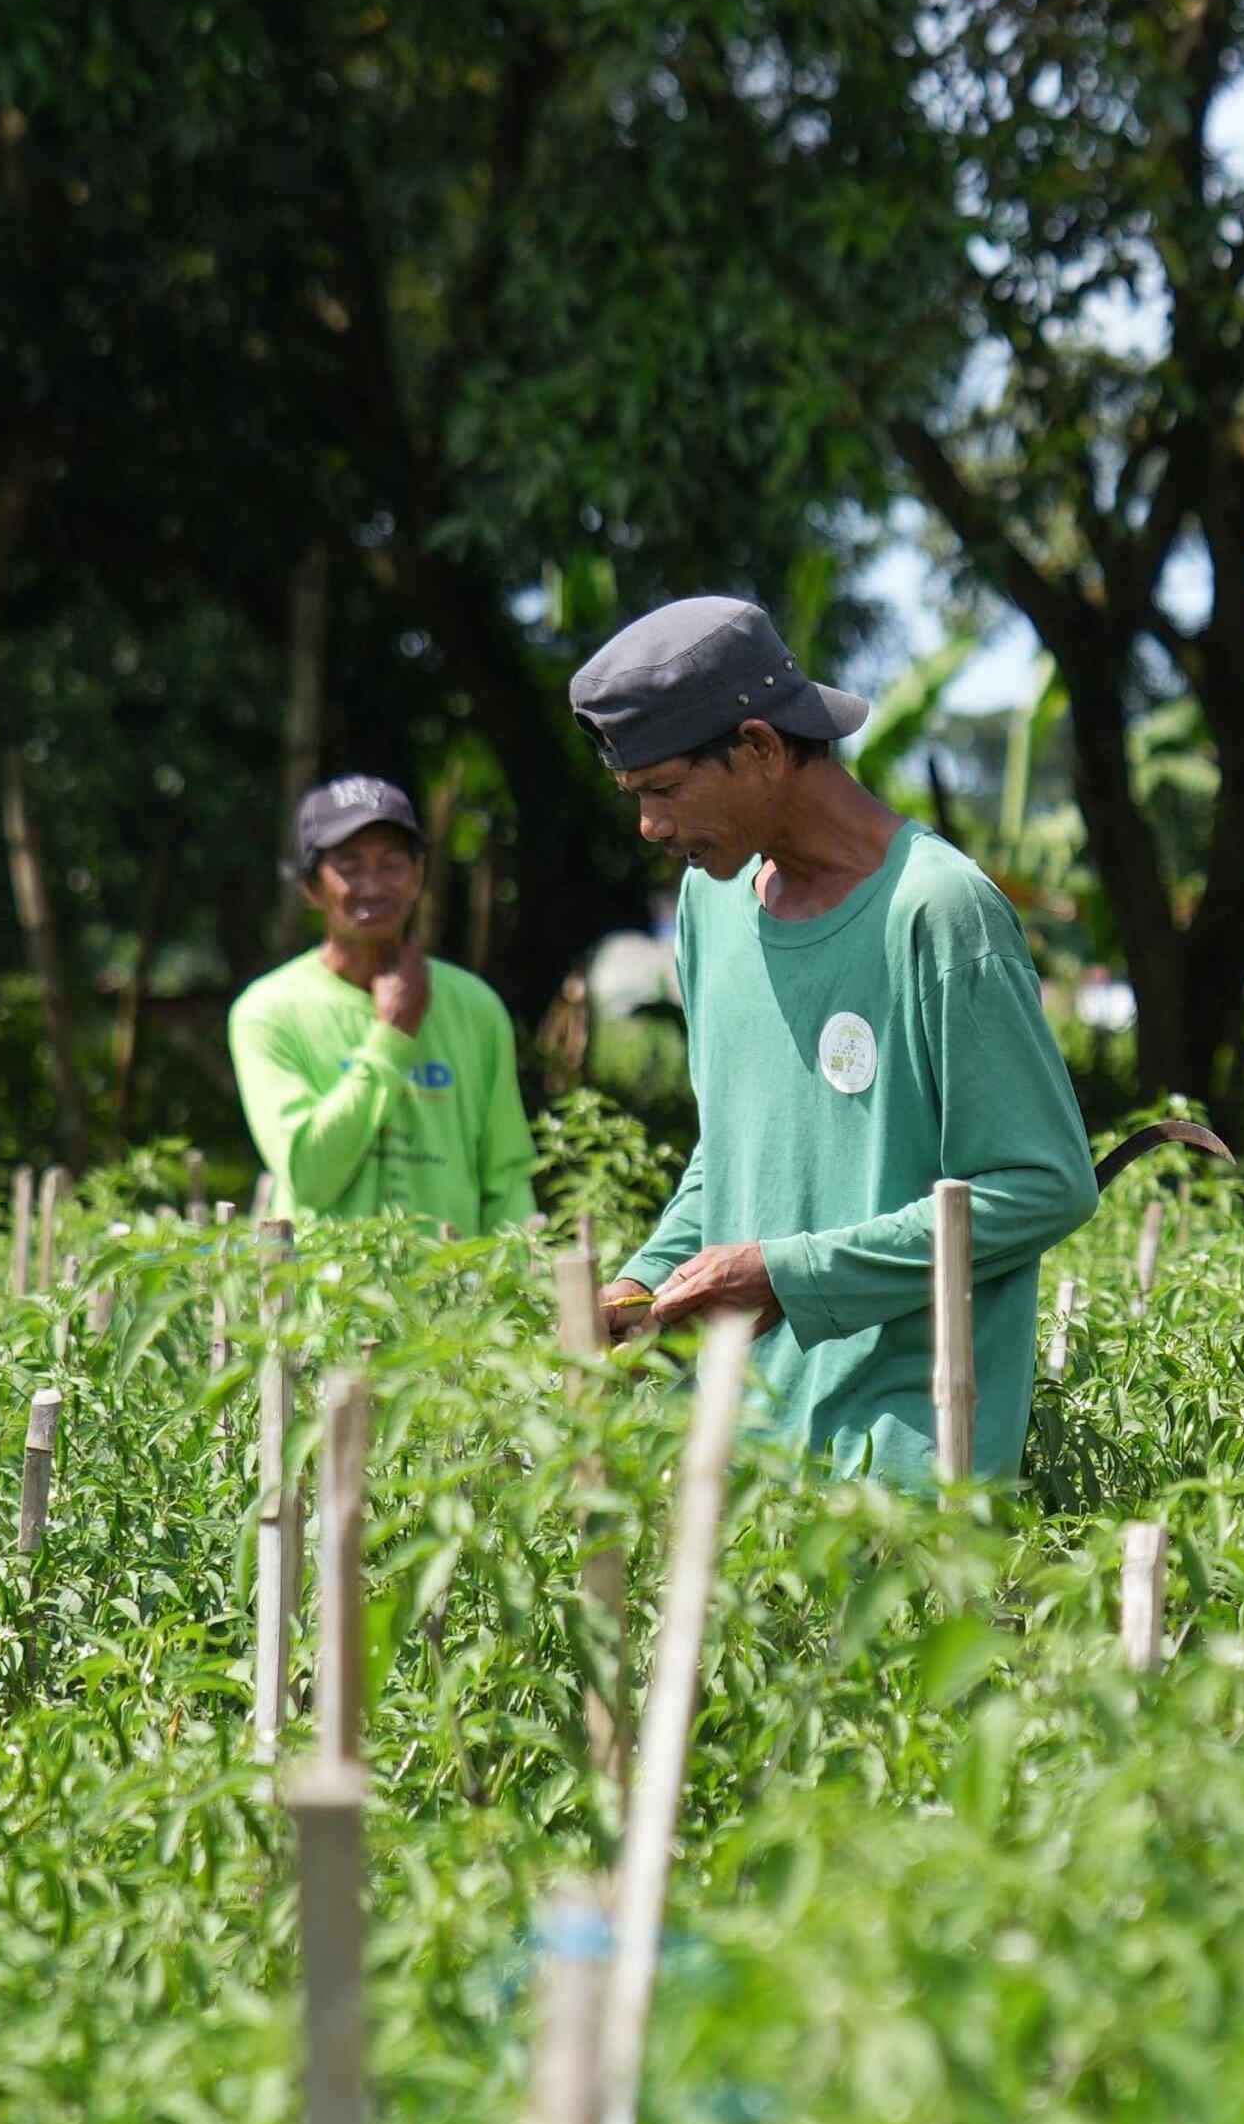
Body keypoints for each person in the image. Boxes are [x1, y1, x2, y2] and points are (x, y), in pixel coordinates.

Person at [571, 596, 1097, 1485]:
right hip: (744, 1463)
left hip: (906, 1474)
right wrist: (645, 1280)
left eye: (663, 790)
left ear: (760, 748)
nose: (649, 826)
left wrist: (791, 1275)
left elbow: (1046, 1185)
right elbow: (731, 1152)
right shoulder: (712, 902)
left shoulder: (938, 912)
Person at [228, 775, 541, 1236]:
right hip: (325, 1282)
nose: (373, 886)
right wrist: (393, 1035)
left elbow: (507, 1181)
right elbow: (310, 1176)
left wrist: (517, 1274)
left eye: (393, 864)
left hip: (455, 1282)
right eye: (349, 866)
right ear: (311, 886)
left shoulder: (477, 1008)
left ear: (418, 875)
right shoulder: (268, 1012)